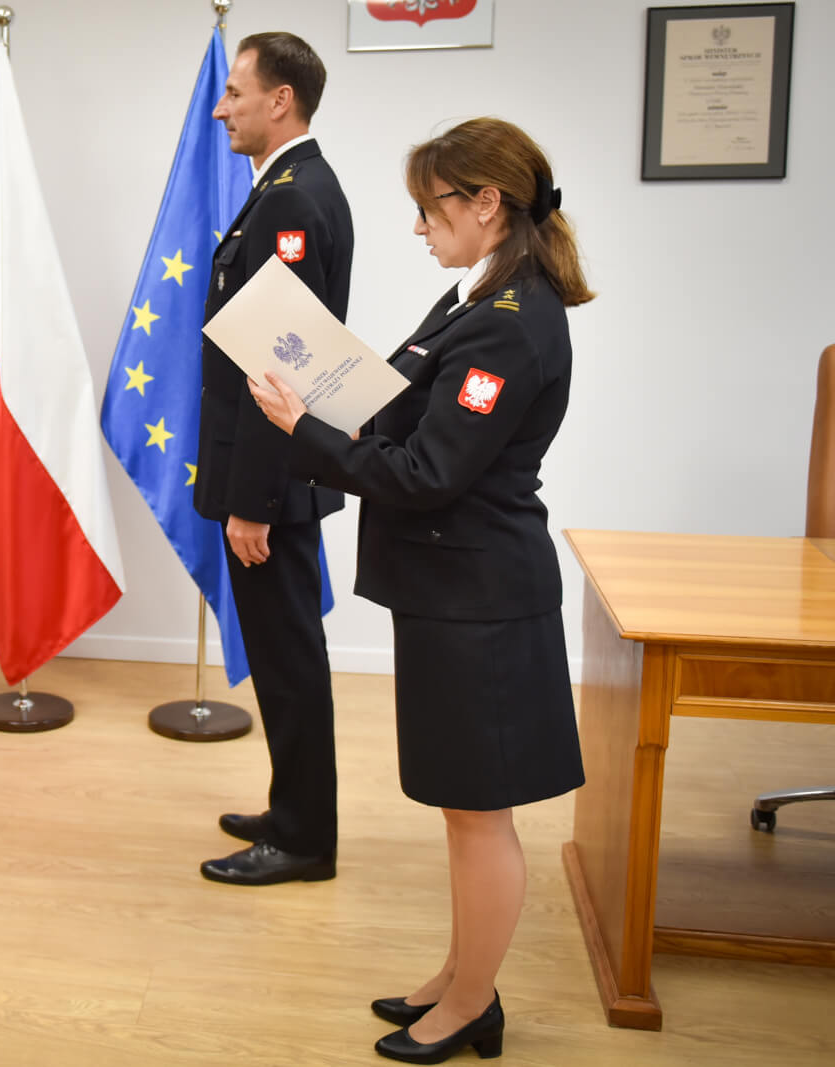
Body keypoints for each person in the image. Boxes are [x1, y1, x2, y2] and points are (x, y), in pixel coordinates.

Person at [249, 117, 592, 1063]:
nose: (417, 228)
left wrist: (302, 430)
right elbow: (406, 400)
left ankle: (473, 1003)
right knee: (460, 805)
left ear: (487, 203)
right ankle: (459, 973)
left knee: (480, 813)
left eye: (429, 209)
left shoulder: (509, 322)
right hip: (454, 590)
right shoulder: (475, 299)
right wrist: (327, 393)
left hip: (481, 599)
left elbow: (428, 472)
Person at [195, 31, 353, 886]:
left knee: (288, 661)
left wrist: (252, 499)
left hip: (274, 480)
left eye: (236, 92)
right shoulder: (287, 189)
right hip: (279, 473)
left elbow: (277, 365)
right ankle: (293, 807)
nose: (223, 109)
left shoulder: (291, 200)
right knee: (286, 655)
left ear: (279, 100)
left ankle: (302, 838)